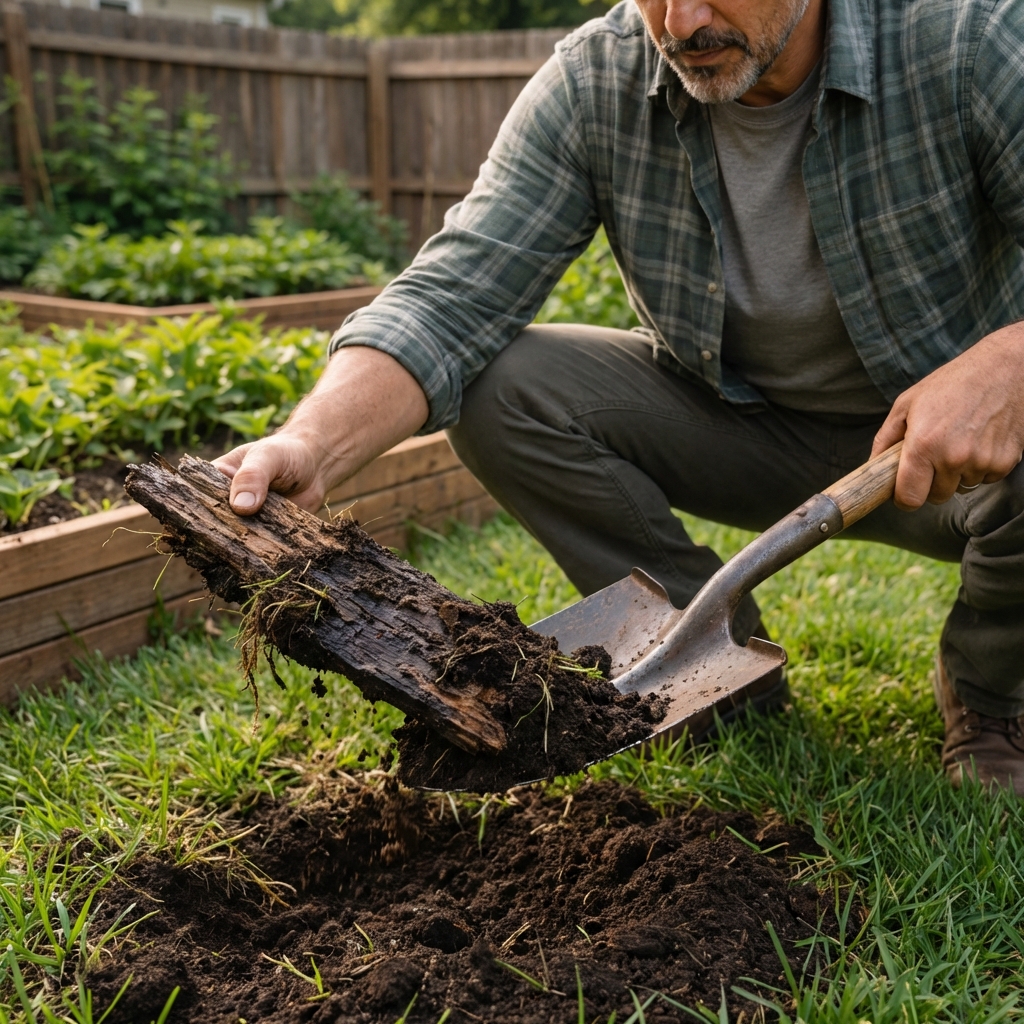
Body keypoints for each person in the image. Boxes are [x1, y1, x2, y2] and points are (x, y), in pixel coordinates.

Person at [214, 0, 1024, 794]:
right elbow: (452, 295)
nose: (679, 23)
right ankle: (718, 667)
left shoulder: (966, 40)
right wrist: (312, 441)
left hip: (961, 459)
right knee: (503, 385)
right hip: (739, 426)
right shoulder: (597, 79)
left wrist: (1004, 364)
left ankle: (993, 699)